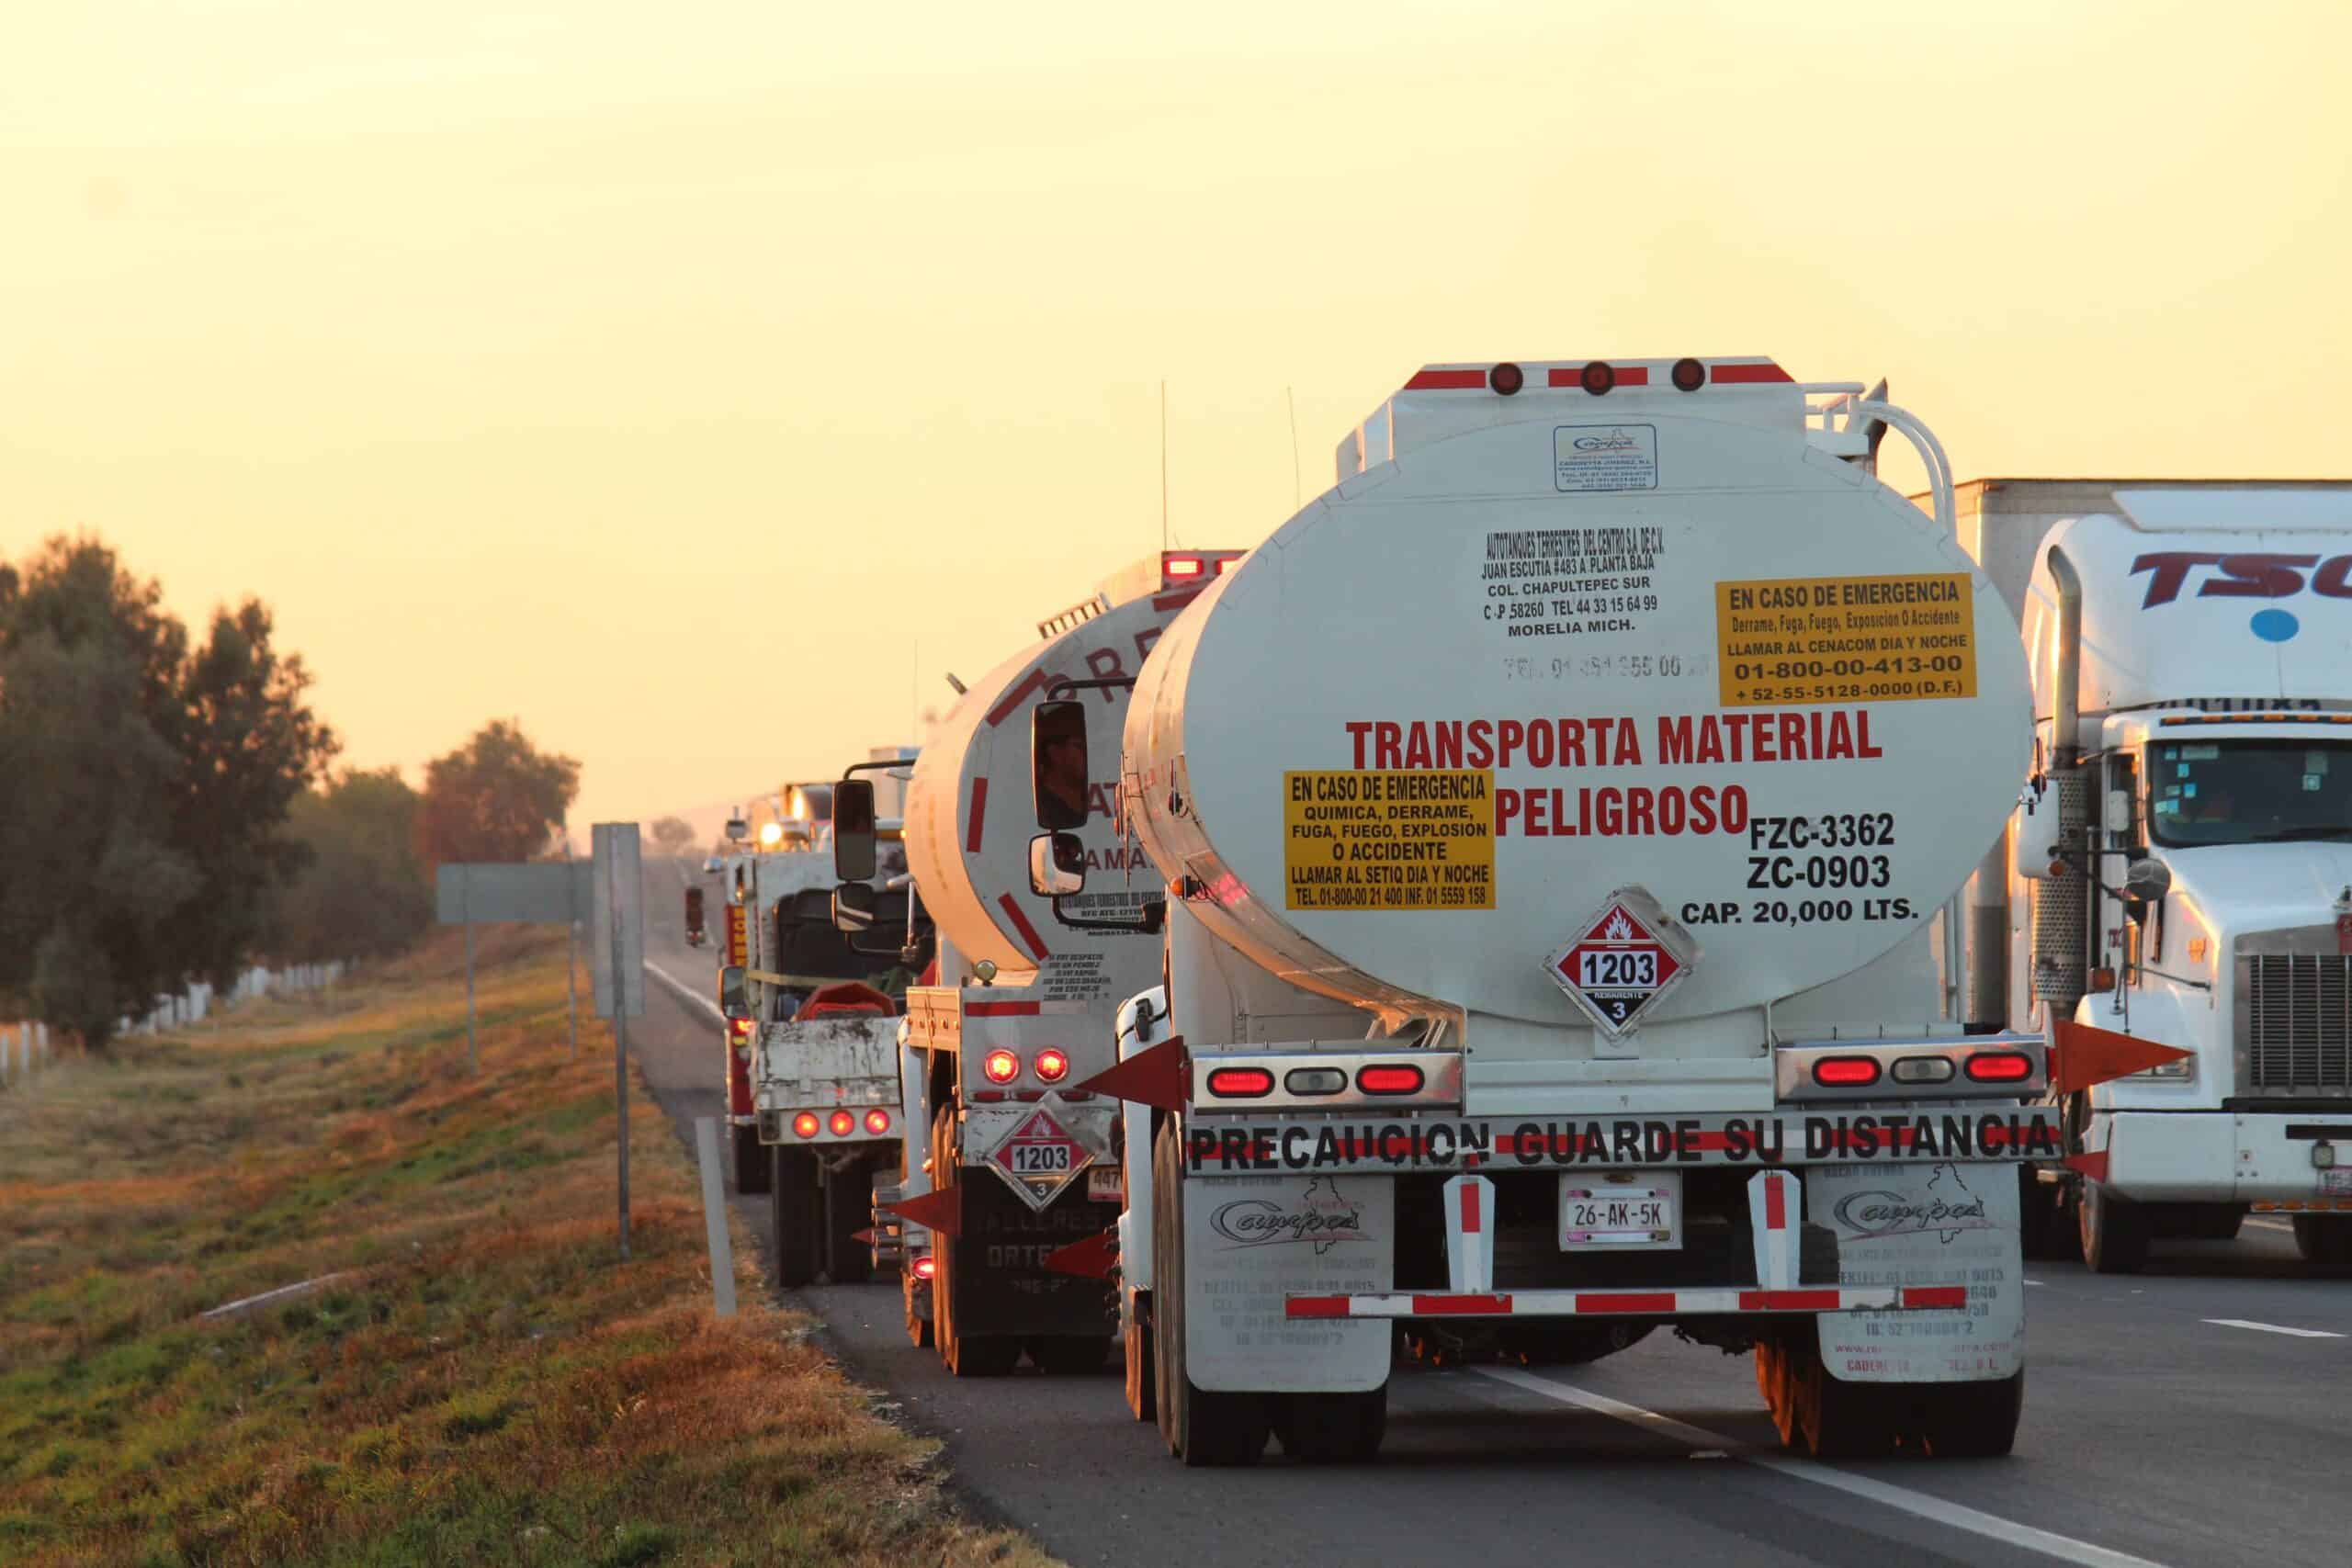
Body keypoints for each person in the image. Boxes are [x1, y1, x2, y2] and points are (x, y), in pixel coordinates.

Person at [1036, 715, 1090, 829]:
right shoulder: (1048, 811)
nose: (1085, 755)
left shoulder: (1076, 807)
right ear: (1055, 753)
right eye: (1078, 747)